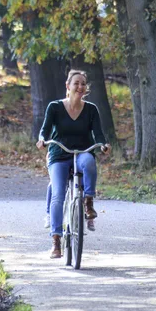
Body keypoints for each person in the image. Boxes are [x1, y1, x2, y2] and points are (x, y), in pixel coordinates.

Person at [36, 69, 111, 259]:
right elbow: (44, 130)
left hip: (82, 152)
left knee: (90, 164)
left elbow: (98, 134)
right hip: (59, 155)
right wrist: (42, 140)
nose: (80, 87)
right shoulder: (54, 107)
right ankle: (56, 240)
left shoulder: (91, 109)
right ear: (67, 86)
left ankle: (88, 201)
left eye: (83, 84)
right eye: (76, 83)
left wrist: (103, 145)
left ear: (86, 88)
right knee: (58, 194)